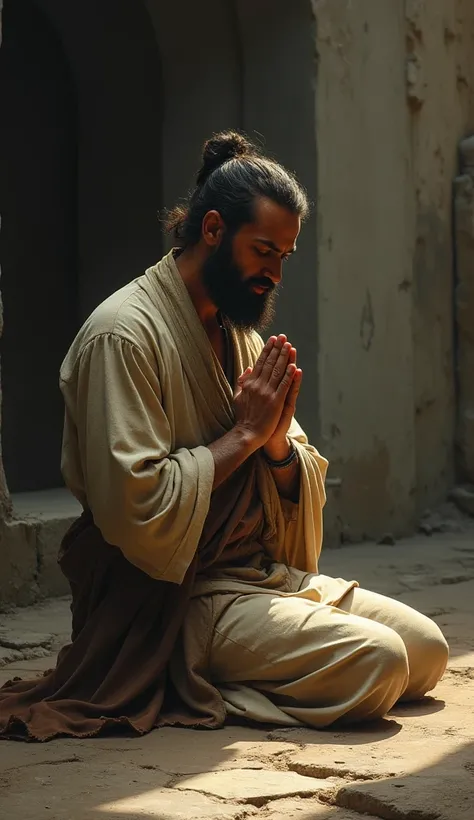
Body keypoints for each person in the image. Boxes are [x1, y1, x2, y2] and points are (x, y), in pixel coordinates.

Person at [0, 131, 448, 741]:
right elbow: (137, 508)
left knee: (426, 652)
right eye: (263, 251)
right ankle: (179, 675)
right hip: (169, 601)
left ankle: (216, 671)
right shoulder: (123, 336)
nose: (274, 274)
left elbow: (296, 469)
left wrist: (274, 445)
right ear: (212, 230)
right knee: (380, 663)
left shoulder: (242, 334)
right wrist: (244, 434)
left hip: (255, 576)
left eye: (284, 257)